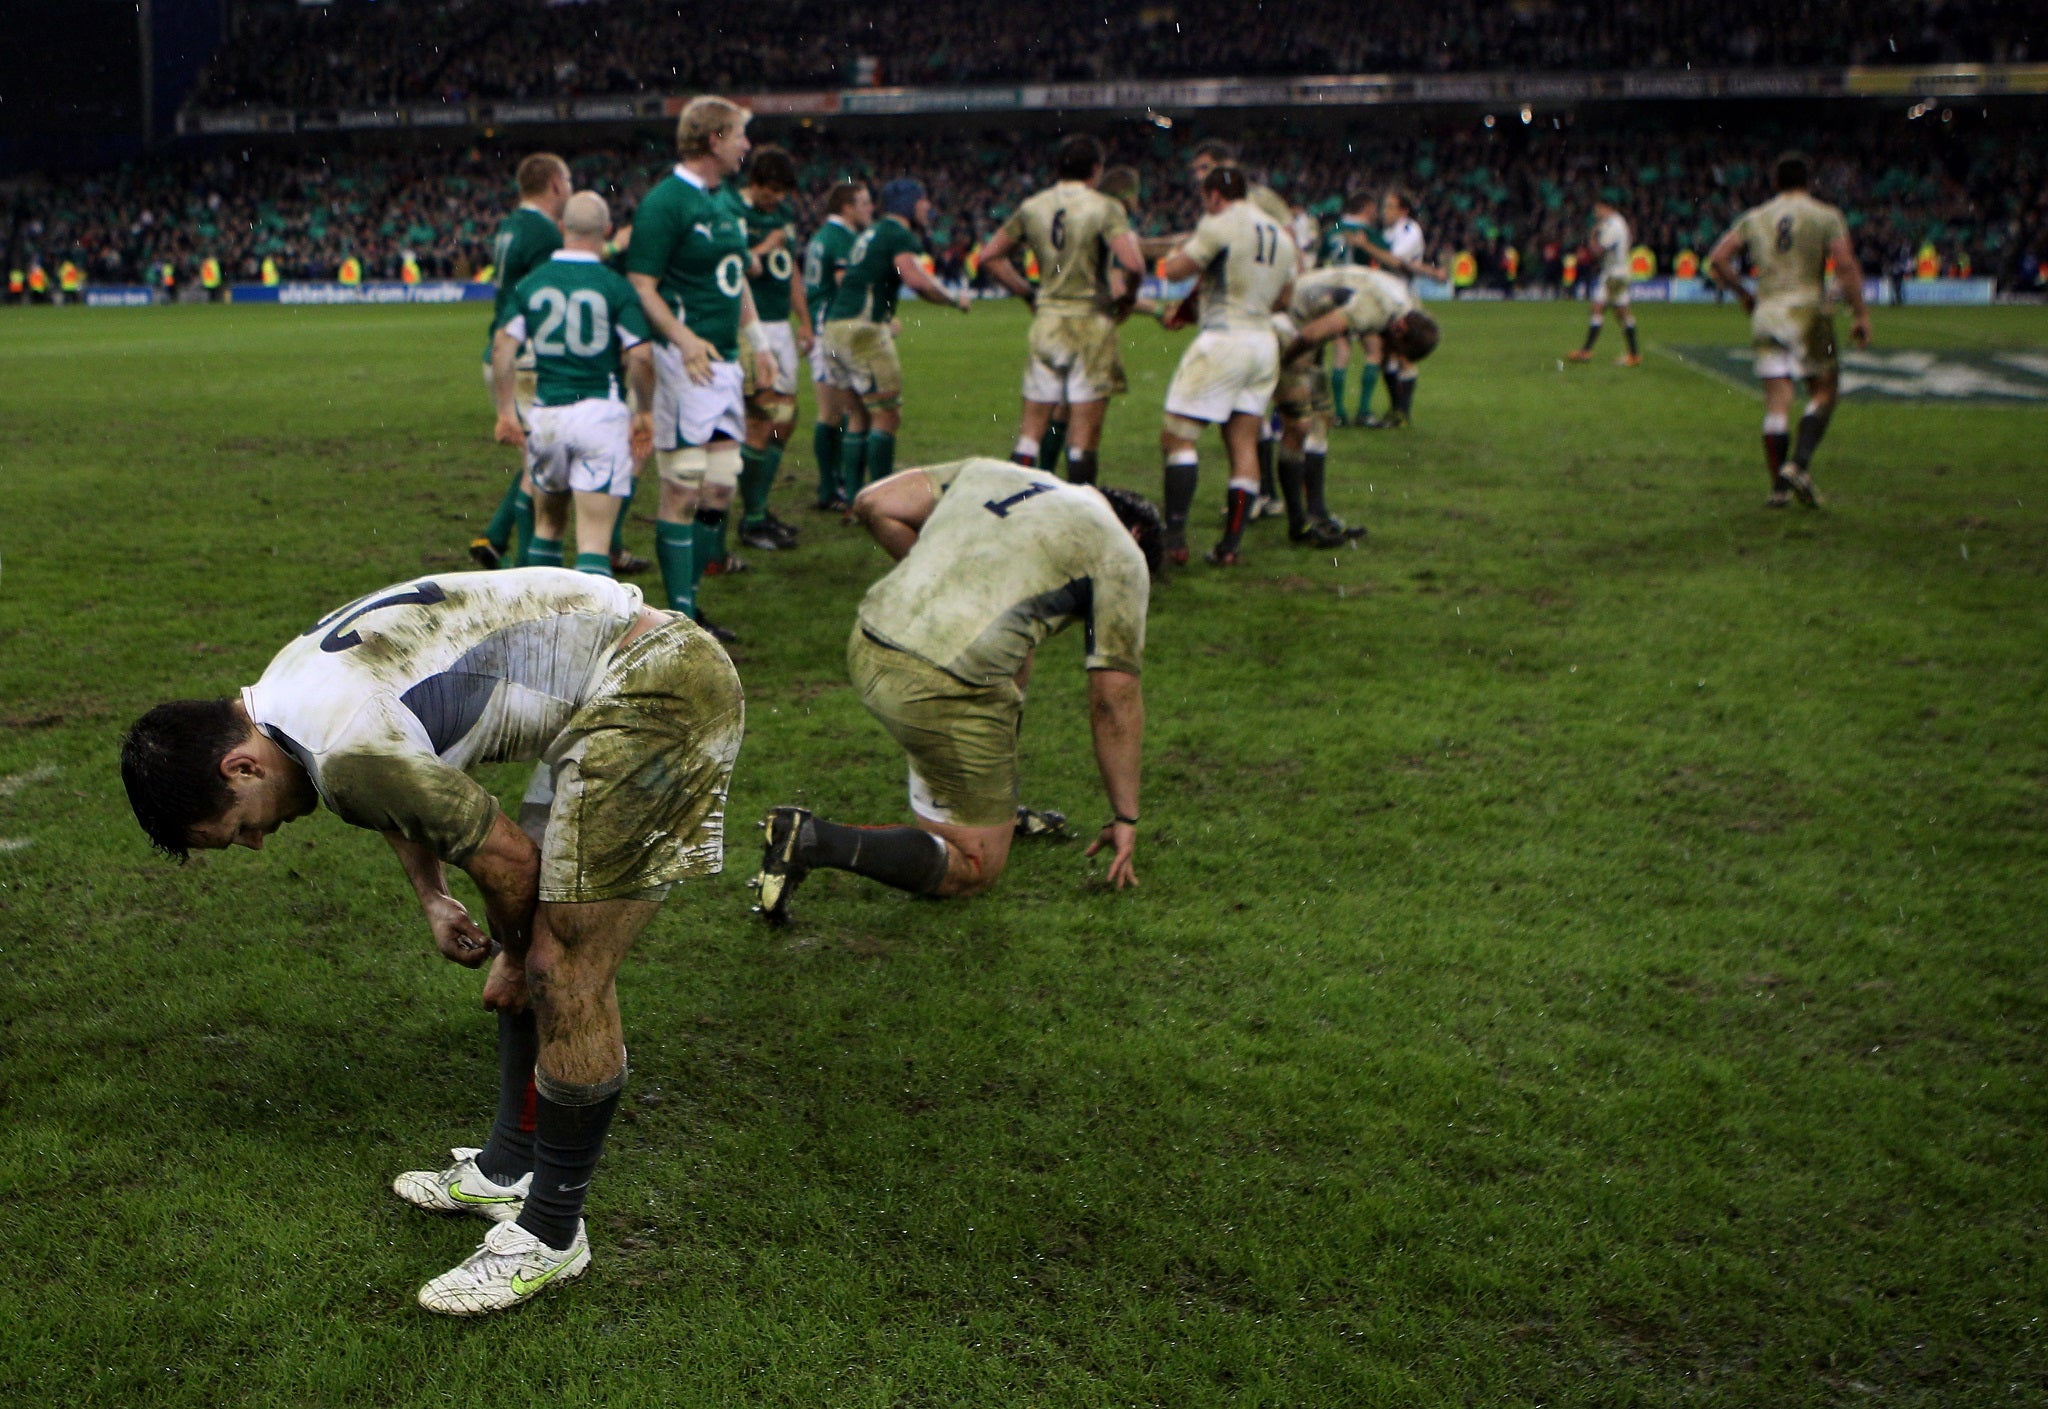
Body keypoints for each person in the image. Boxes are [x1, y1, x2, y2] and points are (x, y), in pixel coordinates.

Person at [119, 569, 745, 1315]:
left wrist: (514, 954)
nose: (256, 842)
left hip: (660, 689)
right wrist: (432, 895)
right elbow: (401, 776)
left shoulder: (343, 750)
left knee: (560, 966)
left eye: (240, 826)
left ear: (241, 766)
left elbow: (505, 857)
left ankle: (552, 1233)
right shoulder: (281, 696)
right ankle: (511, 1166)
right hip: (616, 675)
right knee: (539, 946)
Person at [750, 458, 1161, 925]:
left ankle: (994, 806)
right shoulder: (1121, 553)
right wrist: (1125, 817)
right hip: (938, 686)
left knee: (1010, 671)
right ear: (1139, 536)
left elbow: (875, 504)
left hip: (869, 638)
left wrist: (936, 584)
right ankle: (812, 840)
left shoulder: (998, 471)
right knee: (974, 865)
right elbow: (1114, 701)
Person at [626, 96, 778, 641]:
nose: (746, 146)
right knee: (684, 487)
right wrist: (684, 338)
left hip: (724, 364)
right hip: (680, 365)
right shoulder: (666, 203)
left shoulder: (729, 204)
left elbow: (735, 280)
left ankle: (694, 598)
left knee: (720, 486)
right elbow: (641, 285)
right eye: (739, 135)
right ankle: (683, 618)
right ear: (714, 139)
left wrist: (758, 342)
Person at [490, 192, 656, 577]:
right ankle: (594, 633)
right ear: (608, 231)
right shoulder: (614, 285)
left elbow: (503, 346)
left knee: (547, 529)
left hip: (547, 416)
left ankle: (540, 626)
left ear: (562, 228)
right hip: (599, 412)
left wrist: (505, 413)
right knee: (594, 541)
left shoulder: (532, 283)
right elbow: (642, 355)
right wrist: (645, 411)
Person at [976, 134, 1144, 486]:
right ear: (1096, 170)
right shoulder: (1104, 206)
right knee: (1083, 436)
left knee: (1030, 433)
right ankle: (1081, 515)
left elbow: (989, 256)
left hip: (1048, 321)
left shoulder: (1033, 205)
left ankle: (1014, 509)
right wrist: (1126, 301)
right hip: (1090, 323)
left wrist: (1026, 291)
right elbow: (1134, 264)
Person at [1707, 151, 1872, 508]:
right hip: (1808, 311)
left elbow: (1718, 258)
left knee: (1777, 402)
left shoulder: (1756, 216)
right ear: (1807, 182)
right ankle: (1798, 463)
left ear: (1775, 183)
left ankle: (1778, 490)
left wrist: (1744, 295)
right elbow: (1844, 264)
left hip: (1767, 312)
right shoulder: (1825, 215)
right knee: (1825, 389)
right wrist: (1860, 313)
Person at [1155, 164, 1297, 567]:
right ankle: (1230, 547)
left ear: (1214, 196)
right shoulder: (1279, 234)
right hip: (1263, 343)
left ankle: (1176, 538)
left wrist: (1166, 260)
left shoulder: (1218, 222)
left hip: (1224, 337)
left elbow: (1178, 270)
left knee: (1178, 438)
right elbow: (1286, 295)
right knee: (1243, 443)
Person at [818, 178, 971, 502]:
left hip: (834, 329)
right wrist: (954, 299)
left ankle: (853, 499)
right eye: (922, 200)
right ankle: (883, 499)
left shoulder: (871, 233)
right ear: (907, 204)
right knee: (886, 414)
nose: (927, 206)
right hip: (862, 330)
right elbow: (914, 278)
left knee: (858, 415)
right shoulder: (897, 233)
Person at [1272, 266, 1441, 546]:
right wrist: (1286, 361)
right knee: (1299, 425)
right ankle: (1299, 523)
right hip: (1289, 322)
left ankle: (1316, 513)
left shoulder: (1407, 307)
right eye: (1396, 349)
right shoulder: (1374, 309)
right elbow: (1312, 334)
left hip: (1301, 315)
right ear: (1400, 329)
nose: (1391, 354)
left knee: (1320, 419)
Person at [469, 154, 570, 573]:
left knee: (534, 458)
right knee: (542, 466)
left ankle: (494, 539)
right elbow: (553, 298)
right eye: (566, 180)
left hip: (500, 351)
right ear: (554, 185)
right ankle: (530, 569)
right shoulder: (544, 232)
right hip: (526, 358)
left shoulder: (512, 225)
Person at [723, 145, 809, 554]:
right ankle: (752, 518)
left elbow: (789, 268)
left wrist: (804, 320)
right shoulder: (735, 213)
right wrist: (762, 246)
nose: (775, 198)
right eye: (770, 190)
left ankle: (759, 507)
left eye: (781, 191)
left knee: (786, 419)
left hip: (781, 327)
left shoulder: (784, 216)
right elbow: (732, 266)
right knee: (760, 422)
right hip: (750, 327)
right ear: (753, 182)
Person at [801, 180, 873, 511]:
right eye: (863, 202)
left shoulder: (822, 237)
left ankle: (833, 484)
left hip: (819, 323)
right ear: (846, 208)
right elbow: (847, 284)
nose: (869, 208)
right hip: (831, 326)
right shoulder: (842, 238)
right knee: (838, 410)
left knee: (835, 410)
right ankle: (833, 488)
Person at [1356, 188, 1441, 428]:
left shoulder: (1409, 230)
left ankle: (1402, 412)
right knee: (1386, 354)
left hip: (1403, 299)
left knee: (1403, 353)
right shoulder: (1386, 231)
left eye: (1391, 207)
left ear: (1404, 210)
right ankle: (1395, 409)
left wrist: (1366, 246)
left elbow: (1394, 260)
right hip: (1384, 296)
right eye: (1384, 207)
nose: (1385, 212)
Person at [1566, 199, 1640, 365]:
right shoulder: (1618, 223)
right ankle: (1634, 354)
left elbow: (1597, 250)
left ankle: (1586, 351)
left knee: (1598, 307)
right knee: (1621, 311)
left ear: (1606, 208)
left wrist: (1592, 236)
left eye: (1597, 210)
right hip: (1618, 272)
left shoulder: (1613, 225)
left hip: (1614, 274)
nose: (1595, 214)